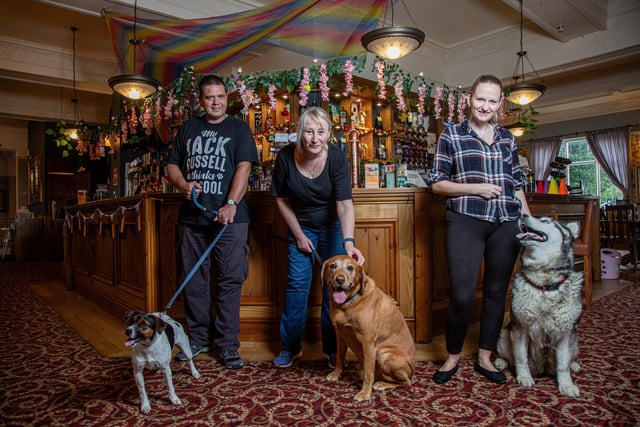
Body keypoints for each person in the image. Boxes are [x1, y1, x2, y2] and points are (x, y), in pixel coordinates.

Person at [428, 74, 531, 384]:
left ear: (500, 104)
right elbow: (436, 184)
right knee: (461, 295)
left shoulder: (507, 139)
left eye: (492, 100)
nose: (485, 105)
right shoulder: (451, 134)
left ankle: (485, 357)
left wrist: (529, 221)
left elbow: (517, 185)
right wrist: (476, 189)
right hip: (466, 219)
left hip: (506, 222)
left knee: (497, 292)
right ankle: (453, 356)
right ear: (469, 99)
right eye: (480, 98)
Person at [167, 74, 258, 369]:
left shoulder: (239, 128)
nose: (216, 102)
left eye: (220, 96)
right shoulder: (189, 128)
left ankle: (228, 345)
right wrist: (183, 185)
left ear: (227, 98)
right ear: (201, 100)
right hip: (193, 216)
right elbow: (172, 164)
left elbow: (244, 167)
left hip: (232, 219)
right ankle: (198, 339)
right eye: (210, 97)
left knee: (230, 281)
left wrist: (231, 203)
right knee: (194, 280)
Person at [270, 106, 365, 368]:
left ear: (328, 134)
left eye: (320, 132)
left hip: (333, 226)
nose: (314, 138)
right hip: (300, 225)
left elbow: (345, 205)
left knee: (334, 286)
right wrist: (298, 234)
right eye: (309, 131)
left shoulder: (336, 158)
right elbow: (280, 198)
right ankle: (290, 347)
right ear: (300, 132)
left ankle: (332, 349)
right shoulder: (286, 157)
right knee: (297, 287)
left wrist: (348, 242)